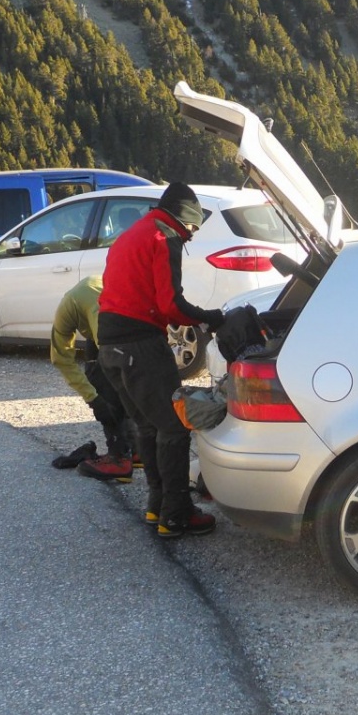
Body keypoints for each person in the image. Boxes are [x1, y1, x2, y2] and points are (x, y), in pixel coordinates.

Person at [95, 182, 225, 538]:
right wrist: (209, 317)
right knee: (174, 426)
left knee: (149, 426)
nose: (190, 238)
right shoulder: (164, 237)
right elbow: (171, 305)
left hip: (109, 347)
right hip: (140, 345)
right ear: (185, 220)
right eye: (193, 231)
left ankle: (157, 507)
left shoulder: (131, 235)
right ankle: (177, 515)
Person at [48, 275, 135, 475]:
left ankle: (121, 457)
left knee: (117, 379)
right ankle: (126, 450)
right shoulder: (70, 310)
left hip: (120, 320)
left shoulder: (111, 310)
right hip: (98, 315)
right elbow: (60, 358)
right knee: (102, 378)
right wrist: (94, 399)